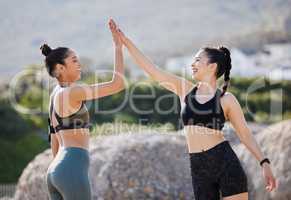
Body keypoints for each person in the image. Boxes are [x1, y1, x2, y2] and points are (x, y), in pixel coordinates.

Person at [111, 19, 277, 200]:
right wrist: (125, 43)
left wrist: (264, 162)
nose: (192, 64)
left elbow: (245, 134)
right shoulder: (185, 90)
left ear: (212, 66)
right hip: (198, 167)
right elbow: (153, 70)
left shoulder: (226, 99)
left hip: (224, 162)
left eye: (197, 60)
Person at [42, 19, 125, 200]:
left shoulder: (55, 94)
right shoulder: (72, 92)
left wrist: (57, 169)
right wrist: (118, 47)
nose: (79, 64)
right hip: (71, 168)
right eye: (74, 60)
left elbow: (55, 137)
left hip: (55, 171)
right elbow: (118, 84)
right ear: (60, 68)